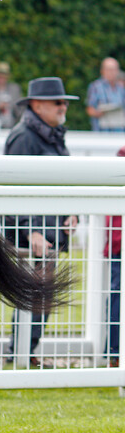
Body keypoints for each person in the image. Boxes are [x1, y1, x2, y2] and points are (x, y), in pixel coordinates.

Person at [3, 77, 79, 366]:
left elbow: (65, 180)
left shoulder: (52, 133)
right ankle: (21, 352)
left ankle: (26, 351)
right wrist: (31, 231)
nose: (63, 107)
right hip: (33, 233)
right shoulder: (25, 136)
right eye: (57, 102)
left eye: (64, 102)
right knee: (35, 293)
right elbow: (17, 189)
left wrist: (72, 212)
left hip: (50, 228)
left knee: (43, 294)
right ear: (36, 105)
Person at [103, 145, 124, 368]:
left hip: (118, 238)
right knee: (118, 297)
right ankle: (114, 353)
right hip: (120, 241)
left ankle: (115, 352)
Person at [86, 57, 125, 132]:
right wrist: (99, 113)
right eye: (109, 69)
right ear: (102, 71)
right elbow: (89, 109)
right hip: (102, 133)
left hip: (120, 131)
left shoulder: (121, 88)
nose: (112, 72)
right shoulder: (95, 87)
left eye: (114, 69)